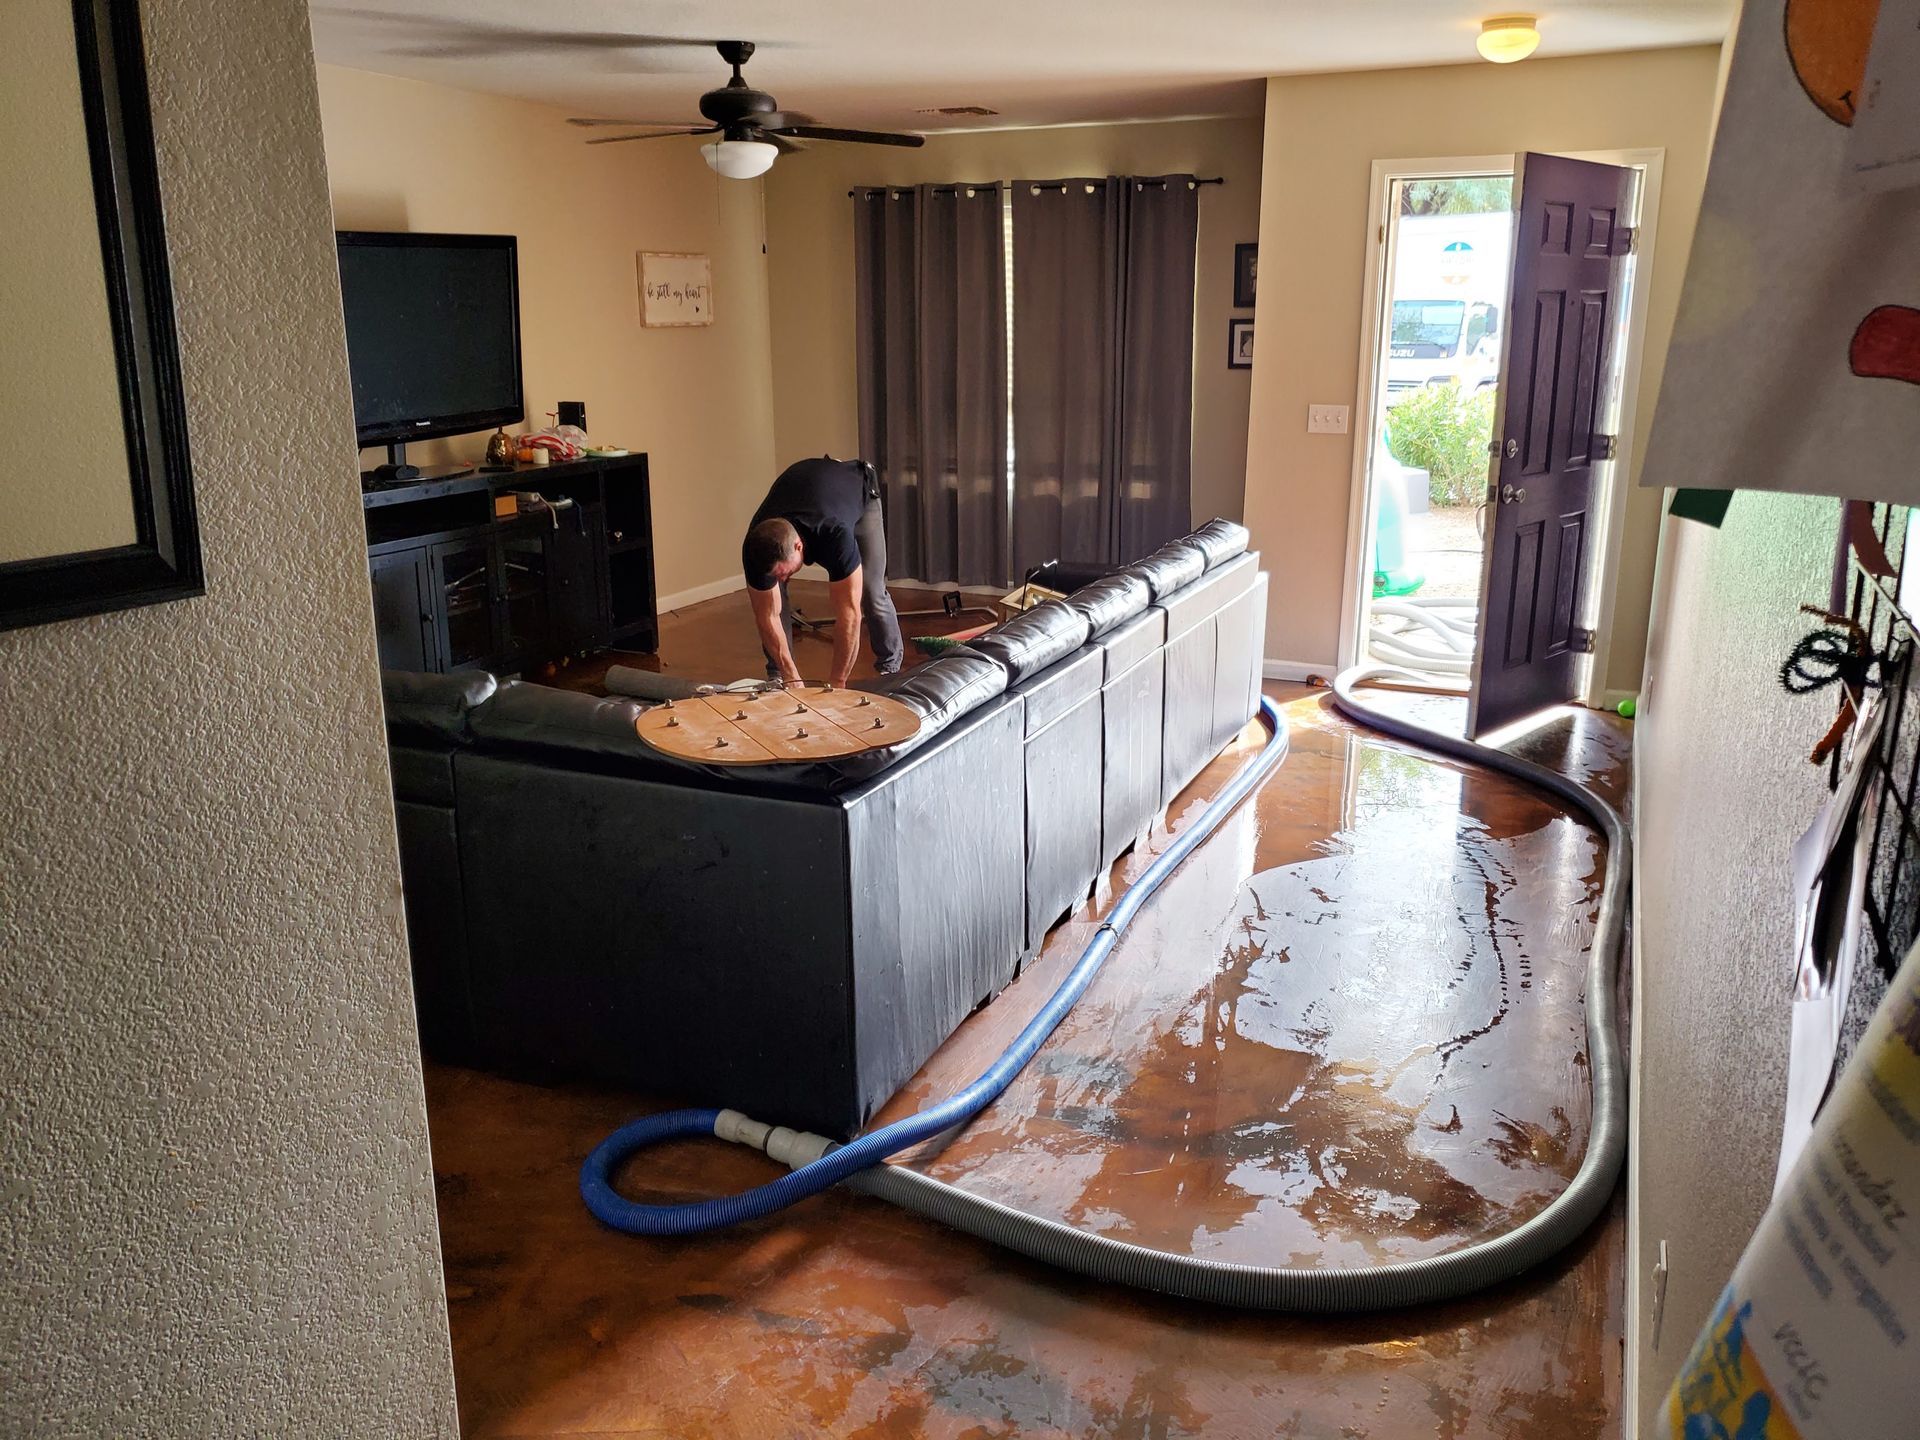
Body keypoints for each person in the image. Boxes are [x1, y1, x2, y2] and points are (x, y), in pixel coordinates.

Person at [740, 455, 902, 687]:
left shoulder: (834, 534)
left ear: (799, 547)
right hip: (807, 490)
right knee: (775, 602)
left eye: (784, 573)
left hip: (858, 491)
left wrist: (837, 683)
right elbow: (767, 616)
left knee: (870, 589)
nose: (782, 579)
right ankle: (779, 675)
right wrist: (791, 676)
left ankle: (890, 666)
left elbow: (850, 615)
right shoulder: (756, 546)